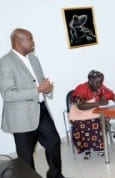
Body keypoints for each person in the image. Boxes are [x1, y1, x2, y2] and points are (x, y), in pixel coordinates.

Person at [0, 28, 64, 178]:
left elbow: (41, 82)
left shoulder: (33, 59)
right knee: (26, 156)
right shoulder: (5, 63)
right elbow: (8, 94)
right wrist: (37, 90)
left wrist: (47, 89)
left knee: (54, 143)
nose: (33, 42)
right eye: (30, 39)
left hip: (41, 111)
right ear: (18, 41)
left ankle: (55, 175)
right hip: (21, 116)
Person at [70, 70, 115, 159]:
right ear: (90, 81)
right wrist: (98, 103)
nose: (100, 84)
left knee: (101, 120)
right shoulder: (81, 88)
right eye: (98, 82)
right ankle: (86, 148)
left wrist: (104, 97)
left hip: (95, 113)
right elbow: (80, 106)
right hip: (82, 115)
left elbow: (111, 94)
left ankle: (100, 147)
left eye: (101, 81)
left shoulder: (100, 87)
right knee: (83, 125)